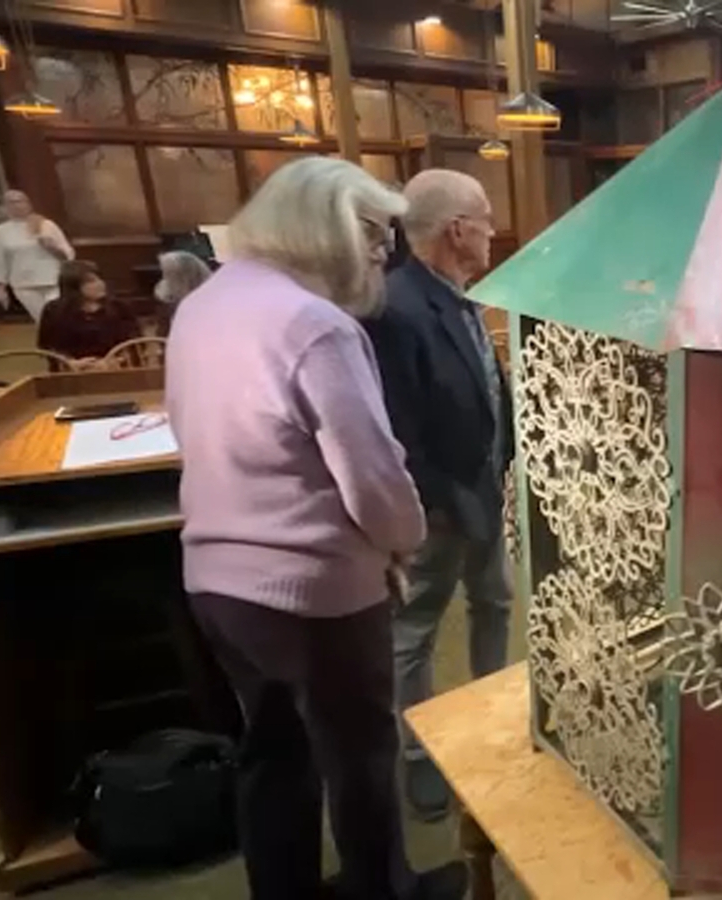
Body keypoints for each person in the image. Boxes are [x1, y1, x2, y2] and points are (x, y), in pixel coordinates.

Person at [165, 157, 467, 900]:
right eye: (369, 231)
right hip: (314, 588)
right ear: (318, 223)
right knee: (360, 753)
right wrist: (403, 542)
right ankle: (385, 891)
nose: (380, 252)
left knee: (272, 753)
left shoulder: (204, 303)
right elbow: (372, 474)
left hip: (216, 581)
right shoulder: (314, 324)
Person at [362, 169, 513, 822]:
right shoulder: (396, 308)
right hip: (439, 504)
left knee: (496, 600)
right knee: (415, 630)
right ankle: (420, 757)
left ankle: (492, 722)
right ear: (457, 230)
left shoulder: (459, 293)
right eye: (484, 219)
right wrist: (434, 506)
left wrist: (500, 462)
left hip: (481, 488)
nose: (492, 231)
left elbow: (484, 387)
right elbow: (398, 430)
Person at [0, 190, 73, 322]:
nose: (17, 205)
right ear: (5, 206)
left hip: (52, 280)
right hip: (24, 284)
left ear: (28, 204)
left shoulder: (46, 225)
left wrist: (51, 248)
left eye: (21, 201)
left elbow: (68, 255)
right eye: (11, 202)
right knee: (43, 320)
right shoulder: (1, 231)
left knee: (59, 317)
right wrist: (1, 289)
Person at [36, 261, 141, 367]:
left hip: (116, 369)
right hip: (71, 372)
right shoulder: (54, 310)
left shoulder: (119, 307)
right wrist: (70, 363)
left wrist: (113, 361)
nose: (100, 284)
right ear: (74, 287)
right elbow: (48, 347)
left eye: (100, 279)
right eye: (91, 281)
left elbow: (135, 343)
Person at [152, 250, 212, 337]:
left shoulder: (211, 292)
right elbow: (163, 331)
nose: (166, 278)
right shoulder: (163, 294)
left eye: (169, 274)